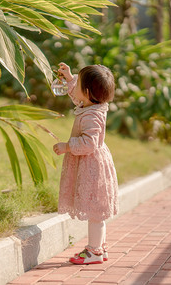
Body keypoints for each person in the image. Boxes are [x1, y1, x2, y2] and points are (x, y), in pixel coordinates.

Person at [52, 62, 119, 265]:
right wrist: (71, 79)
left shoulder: (92, 115)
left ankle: (95, 251)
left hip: (92, 167)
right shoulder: (92, 104)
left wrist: (67, 146)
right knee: (96, 210)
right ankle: (99, 248)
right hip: (91, 164)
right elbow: (77, 96)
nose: (75, 87)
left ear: (88, 92)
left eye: (79, 83)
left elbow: (89, 143)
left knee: (95, 211)